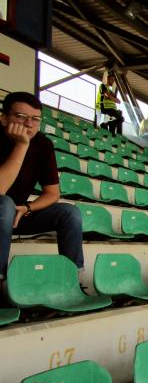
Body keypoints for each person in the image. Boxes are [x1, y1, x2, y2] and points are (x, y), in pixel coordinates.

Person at [0, 92, 84, 283]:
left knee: (69, 213)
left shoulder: (43, 144)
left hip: (18, 214)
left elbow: (52, 193)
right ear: (4, 118)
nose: (29, 124)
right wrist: (22, 146)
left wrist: (27, 208)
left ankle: (71, 281)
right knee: (4, 204)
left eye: (35, 119)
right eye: (21, 117)